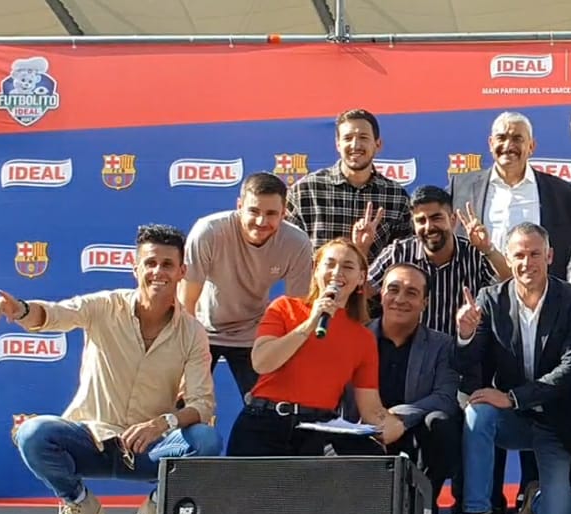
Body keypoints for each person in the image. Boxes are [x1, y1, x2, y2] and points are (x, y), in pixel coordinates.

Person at [0, 224, 221, 514]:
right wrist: (22, 311)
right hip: (91, 441)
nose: (158, 272)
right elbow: (56, 314)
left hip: (149, 449)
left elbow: (202, 405)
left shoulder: (193, 332)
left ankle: (157, 508)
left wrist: (161, 424)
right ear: (134, 267)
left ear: (182, 271)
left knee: (206, 440)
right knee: (33, 433)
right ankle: (78, 501)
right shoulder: (104, 306)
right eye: (150, 263)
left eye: (167, 264)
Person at [454, 222, 571, 514]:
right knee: (477, 412)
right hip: (510, 420)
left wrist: (514, 397)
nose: (526, 262)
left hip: (556, 420)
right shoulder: (490, 299)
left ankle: (535, 498)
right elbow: (467, 364)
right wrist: (464, 334)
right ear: (508, 257)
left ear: (550, 256)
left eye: (534, 254)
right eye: (519, 255)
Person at [224, 239, 402, 457]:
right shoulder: (284, 307)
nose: (337, 272)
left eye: (347, 266)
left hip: (316, 431)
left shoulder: (363, 338)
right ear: (315, 270)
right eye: (329, 264)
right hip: (265, 422)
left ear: (361, 278)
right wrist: (310, 324)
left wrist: (394, 423)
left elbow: (370, 408)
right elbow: (262, 362)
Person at [337, 263, 464, 514]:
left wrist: (399, 418)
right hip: (360, 434)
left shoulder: (442, 345)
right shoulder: (353, 339)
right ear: (380, 294)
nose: (400, 299)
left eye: (411, 293)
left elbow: (446, 396)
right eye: (393, 290)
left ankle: (422, 513)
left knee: (443, 422)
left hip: (415, 436)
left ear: (424, 302)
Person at [181, 172, 314, 397]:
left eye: (271, 213)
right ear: (239, 205)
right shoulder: (209, 231)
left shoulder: (297, 243)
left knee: (265, 408)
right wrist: (186, 357)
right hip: (202, 330)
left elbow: (297, 311)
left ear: (284, 213)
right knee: (183, 401)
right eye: (253, 211)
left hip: (254, 333)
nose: (261, 222)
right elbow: (187, 302)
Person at [449, 111, 571, 279]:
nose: (508, 146)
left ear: (531, 146)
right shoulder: (460, 187)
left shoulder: (561, 194)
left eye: (517, 138)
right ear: (491, 143)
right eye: (501, 138)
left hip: (541, 298)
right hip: (478, 295)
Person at [366, 185, 509, 337]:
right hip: (409, 352)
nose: (429, 227)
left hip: (462, 350)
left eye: (436, 218)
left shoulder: (475, 253)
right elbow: (360, 291)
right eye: (421, 220)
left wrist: (488, 249)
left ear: (453, 220)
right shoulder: (397, 253)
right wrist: (361, 248)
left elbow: (513, 286)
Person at [285, 108, 412, 256]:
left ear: (378, 144)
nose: (355, 145)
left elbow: (402, 260)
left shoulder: (396, 196)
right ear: (338, 144)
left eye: (363, 137)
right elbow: (289, 254)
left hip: (374, 279)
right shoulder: (305, 191)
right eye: (348, 138)